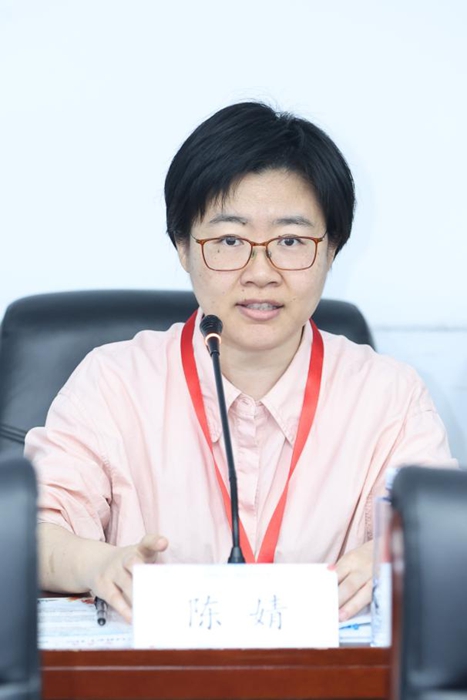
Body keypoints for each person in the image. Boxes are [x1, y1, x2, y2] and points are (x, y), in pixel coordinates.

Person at [25, 101, 456, 625]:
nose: (260, 272)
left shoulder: (390, 396)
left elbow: (443, 532)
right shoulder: (113, 383)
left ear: (332, 249)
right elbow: (30, 532)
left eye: (291, 241)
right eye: (229, 240)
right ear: (182, 247)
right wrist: (97, 565)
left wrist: (393, 558)